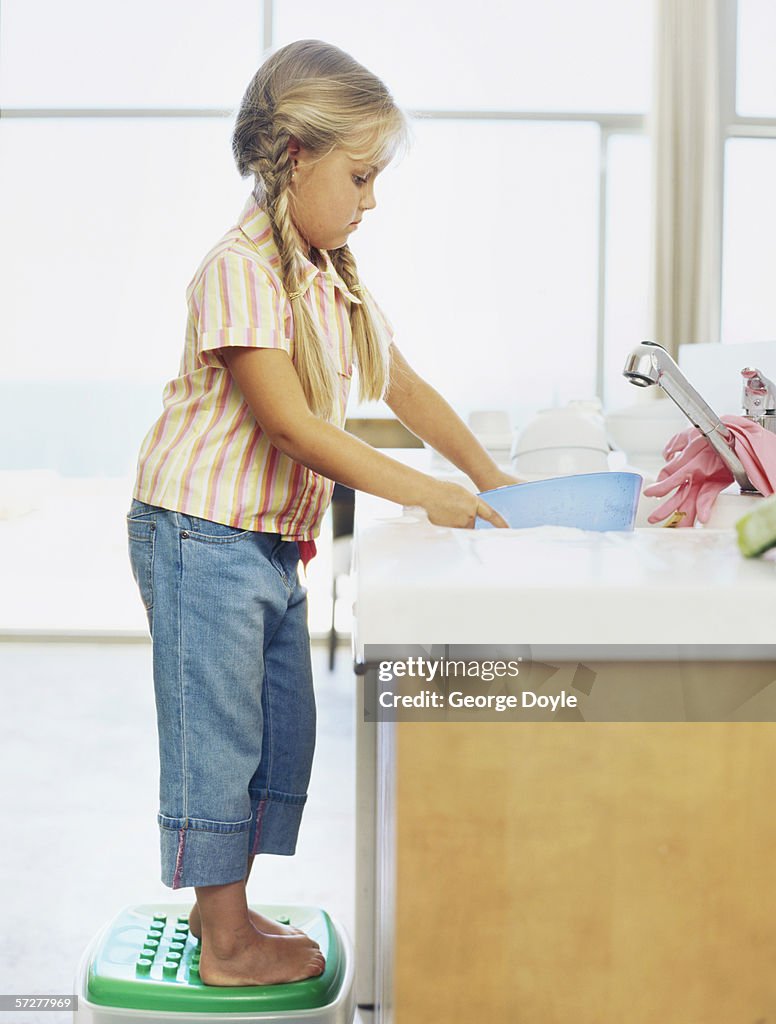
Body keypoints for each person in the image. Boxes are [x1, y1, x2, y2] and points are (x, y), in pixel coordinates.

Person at [126, 39, 517, 989]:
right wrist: (429, 497)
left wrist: (494, 482)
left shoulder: (327, 267)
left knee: (274, 729)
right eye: (361, 175)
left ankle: (231, 912)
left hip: (262, 542)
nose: (370, 199)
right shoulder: (240, 267)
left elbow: (403, 382)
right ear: (295, 156)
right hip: (197, 533)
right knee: (219, 738)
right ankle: (224, 946)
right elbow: (292, 428)